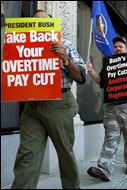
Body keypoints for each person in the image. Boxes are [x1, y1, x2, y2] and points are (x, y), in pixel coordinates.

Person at [11, 10, 87, 189]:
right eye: (35, 22)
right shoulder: (22, 45)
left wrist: (65, 58)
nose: (38, 25)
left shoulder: (64, 44)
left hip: (59, 103)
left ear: (52, 25)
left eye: (43, 22)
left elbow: (82, 77)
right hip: (32, 106)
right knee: (27, 154)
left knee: (65, 154)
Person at [86, 37, 127, 181]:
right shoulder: (109, 64)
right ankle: (104, 169)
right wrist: (90, 71)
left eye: (121, 46)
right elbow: (101, 82)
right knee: (110, 137)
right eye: (115, 46)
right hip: (110, 107)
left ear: (126, 49)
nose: (118, 48)